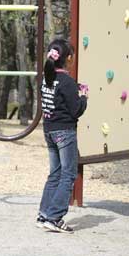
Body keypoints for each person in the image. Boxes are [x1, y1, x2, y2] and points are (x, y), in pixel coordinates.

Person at [37, 39, 88, 233]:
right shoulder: (67, 81)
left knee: (55, 174)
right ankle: (55, 217)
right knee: (68, 174)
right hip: (64, 132)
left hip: (49, 130)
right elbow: (76, 110)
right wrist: (83, 97)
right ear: (68, 59)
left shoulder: (47, 78)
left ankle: (44, 214)